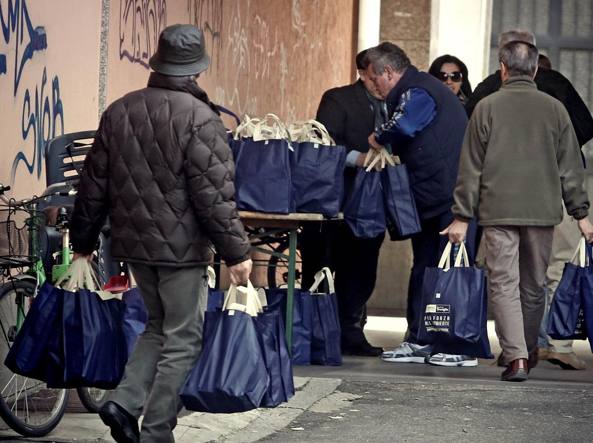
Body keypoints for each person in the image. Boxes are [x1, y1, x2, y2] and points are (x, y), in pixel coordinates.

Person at [70, 24, 252, 443]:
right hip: (182, 252)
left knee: (157, 325)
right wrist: (236, 252)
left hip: (133, 246)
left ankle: (123, 402)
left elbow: (93, 184)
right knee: (183, 338)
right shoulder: (202, 119)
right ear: (196, 69)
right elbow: (215, 198)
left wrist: (82, 242)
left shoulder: (120, 110)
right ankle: (155, 431)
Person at [442, 40, 593, 382]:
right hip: (542, 212)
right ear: (537, 69)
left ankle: (517, 358)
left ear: (503, 69)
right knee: (534, 285)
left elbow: (470, 167)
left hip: (498, 210)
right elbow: (570, 166)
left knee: (504, 283)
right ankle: (527, 349)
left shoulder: (486, 107)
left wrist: (462, 216)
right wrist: (581, 214)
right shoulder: (555, 109)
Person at [365, 42, 477, 367]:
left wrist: (379, 137)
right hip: (431, 197)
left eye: (374, 78)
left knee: (448, 272)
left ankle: (456, 344)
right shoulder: (416, 88)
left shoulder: (417, 90)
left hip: (447, 199)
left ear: (388, 72)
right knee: (425, 269)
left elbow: (405, 125)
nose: (372, 85)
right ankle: (420, 340)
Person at [300, 49, 387, 357]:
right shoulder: (338, 99)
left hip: (375, 202)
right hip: (337, 198)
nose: (381, 80)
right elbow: (324, 142)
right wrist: (358, 158)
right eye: (377, 72)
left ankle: (351, 330)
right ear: (363, 73)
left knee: (364, 268)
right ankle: (316, 331)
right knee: (324, 264)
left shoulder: (397, 102)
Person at [465, 30, 593, 148]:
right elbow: (584, 128)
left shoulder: (488, 87)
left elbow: (468, 128)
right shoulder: (557, 83)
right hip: (551, 167)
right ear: (534, 56)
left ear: (501, 58)